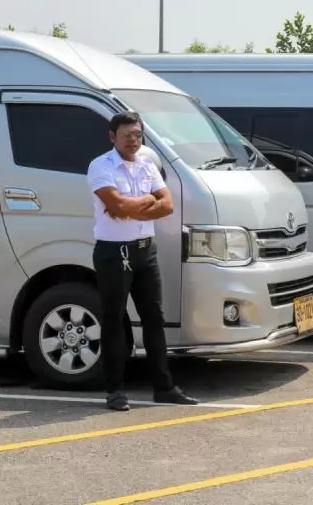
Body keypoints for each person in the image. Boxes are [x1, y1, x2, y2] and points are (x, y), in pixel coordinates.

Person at [87, 111, 198, 411]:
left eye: (138, 135)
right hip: (114, 251)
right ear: (113, 137)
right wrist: (142, 202)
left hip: (145, 250)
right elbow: (116, 204)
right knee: (114, 321)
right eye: (127, 135)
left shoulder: (148, 164)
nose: (134, 140)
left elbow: (167, 205)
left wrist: (132, 207)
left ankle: (164, 387)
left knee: (154, 319)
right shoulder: (101, 166)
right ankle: (115, 391)